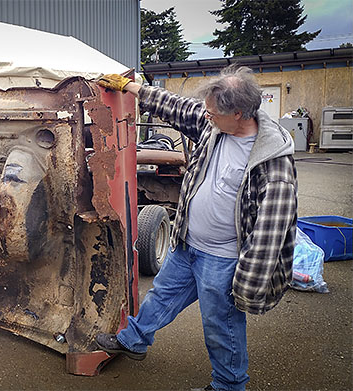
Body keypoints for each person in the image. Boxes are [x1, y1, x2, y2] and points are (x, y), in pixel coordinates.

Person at [94, 66, 297, 391]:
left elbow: (269, 234)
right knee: (162, 294)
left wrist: (246, 287)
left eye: (214, 112)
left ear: (239, 113)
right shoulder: (216, 124)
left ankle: (229, 386)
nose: (207, 116)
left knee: (222, 325)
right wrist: (131, 88)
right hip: (188, 243)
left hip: (224, 258)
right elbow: (174, 104)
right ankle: (134, 340)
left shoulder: (272, 163)